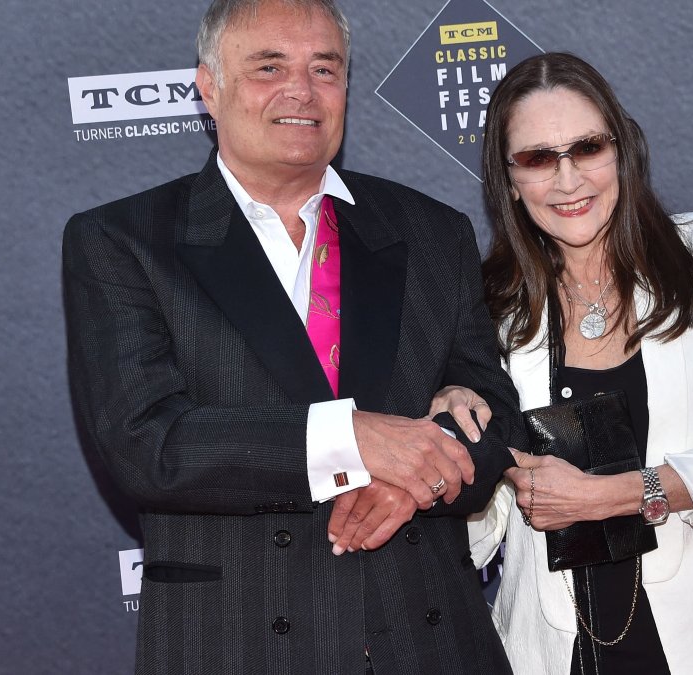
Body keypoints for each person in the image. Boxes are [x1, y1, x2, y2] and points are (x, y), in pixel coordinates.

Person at [62, 1, 522, 672]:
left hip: (429, 640)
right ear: (209, 88)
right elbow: (147, 444)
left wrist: (420, 473)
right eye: (268, 66)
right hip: (236, 644)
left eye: (324, 68)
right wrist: (354, 437)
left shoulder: (430, 231)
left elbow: (495, 410)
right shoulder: (123, 241)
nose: (301, 91)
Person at [438, 52, 693, 674]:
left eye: (588, 148)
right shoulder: (489, 310)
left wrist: (609, 496)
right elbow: (486, 527)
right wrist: (457, 452)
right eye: (539, 158)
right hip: (563, 642)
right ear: (509, 179)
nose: (569, 180)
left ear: (622, 150)